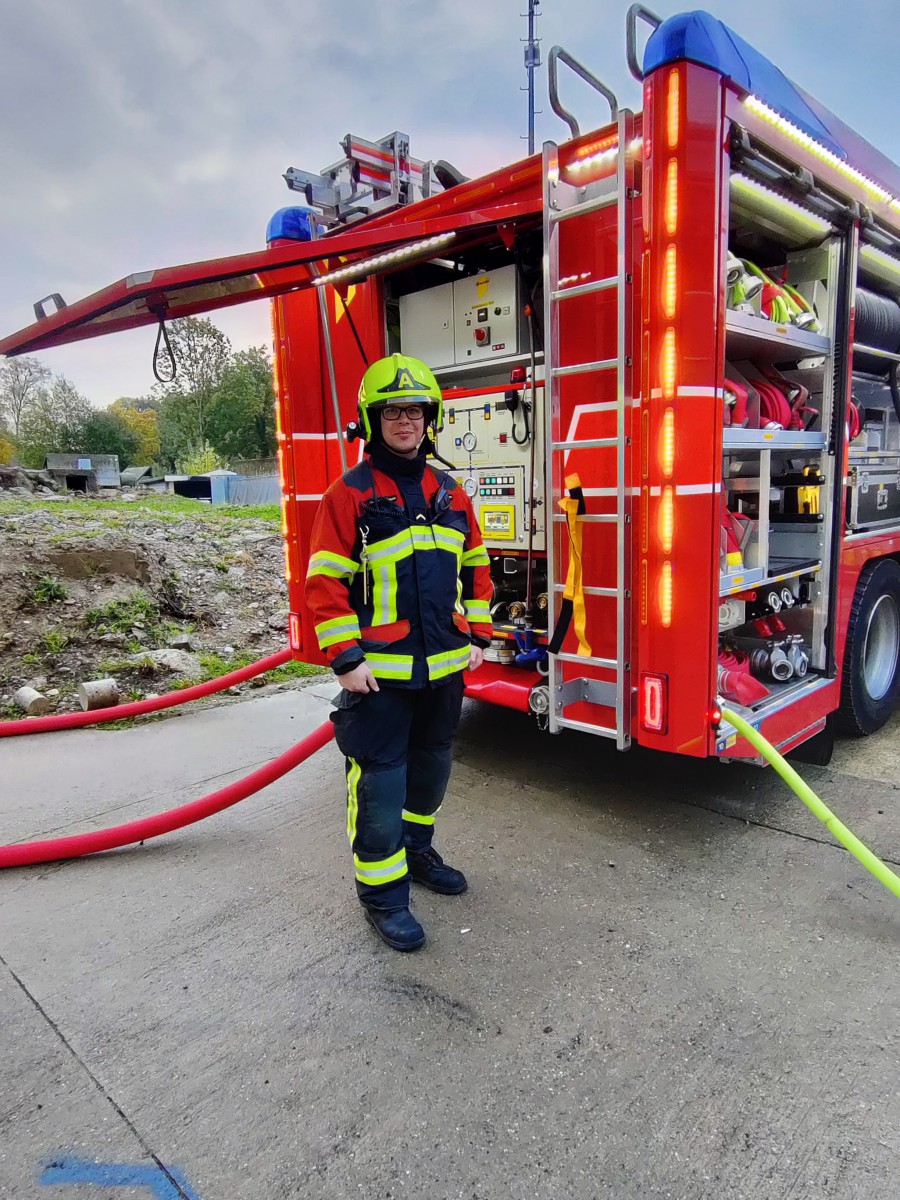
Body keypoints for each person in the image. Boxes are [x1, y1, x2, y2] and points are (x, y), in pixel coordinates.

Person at [305, 353, 493, 951]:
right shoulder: (348, 495)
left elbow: (476, 565)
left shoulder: (451, 492)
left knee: (431, 772)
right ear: (373, 420)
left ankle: (417, 853)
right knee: (380, 789)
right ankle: (383, 896)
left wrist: (479, 634)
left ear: (429, 419)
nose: (405, 421)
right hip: (379, 678)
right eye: (392, 412)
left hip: (444, 670)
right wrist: (346, 658)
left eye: (414, 411)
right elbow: (325, 582)